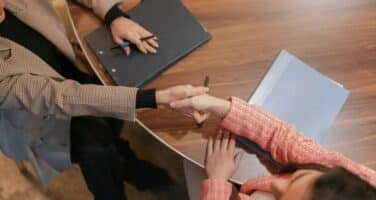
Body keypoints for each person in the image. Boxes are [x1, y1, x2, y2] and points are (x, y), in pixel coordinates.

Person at [0, 0, 208, 199]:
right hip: (41, 120)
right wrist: (157, 98)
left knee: (111, 102)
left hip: (70, 70)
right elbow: (62, 97)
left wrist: (114, 16)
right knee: (98, 150)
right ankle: (121, 177)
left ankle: (127, 162)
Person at [170, 94, 376, 199]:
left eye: (281, 197)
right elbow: (286, 140)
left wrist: (217, 182)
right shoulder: (359, 186)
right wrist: (219, 106)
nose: (277, 184)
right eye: (300, 177)